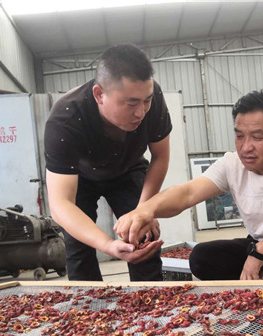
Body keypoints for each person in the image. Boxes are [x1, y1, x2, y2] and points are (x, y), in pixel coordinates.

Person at [115, 88, 263, 280]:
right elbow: (187, 193)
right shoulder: (232, 164)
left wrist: (261, 251)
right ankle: (256, 301)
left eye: (257, 137)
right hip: (258, 246)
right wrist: (145, 210)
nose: (246, 147)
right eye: (239, 136)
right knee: (202, 257)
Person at [44, 44, 171, 281]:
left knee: (143, 235)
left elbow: (161, 156)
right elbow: (60, 204)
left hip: (129, 168)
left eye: (147, 101)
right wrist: (107, 244)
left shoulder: (152, 99)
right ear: (99, 95)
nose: (141, 113)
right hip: (80, 178)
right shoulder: (65, 119)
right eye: (131, 104)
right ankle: (88, 311)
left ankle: (151, 309)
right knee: (78, 245)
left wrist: (144, 211)